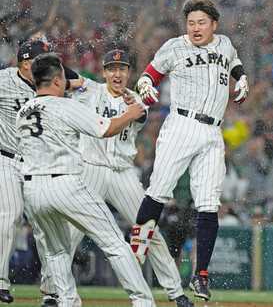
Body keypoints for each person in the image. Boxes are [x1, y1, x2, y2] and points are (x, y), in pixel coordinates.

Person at [130, 0, 249, 301]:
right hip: (182, 124)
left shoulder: (224, 43)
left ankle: (201, 276)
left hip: (213, 132)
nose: (196, 28)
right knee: (159, 190)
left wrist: (242, 77)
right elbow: (150, 73)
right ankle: (135, 254)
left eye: (202, 22)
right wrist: (145, 84)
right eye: (191, 22)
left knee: (209, 203)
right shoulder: (175, 46)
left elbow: (234, 62)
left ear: (214, 24)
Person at [16, 53, 155, 307]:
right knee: (114, 243)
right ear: (58, 80)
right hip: (65, 184)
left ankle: (67, 302)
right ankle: (143, 302)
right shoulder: (65, 106)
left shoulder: (23, 111)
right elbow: (106, 129)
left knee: (56, 251)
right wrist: (131, 112)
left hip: (33, 190)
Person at [69, 49, 193, 307]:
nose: (117, 73)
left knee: (149, 229)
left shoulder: (137, 100)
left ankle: (175, 292)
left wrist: (132, 105)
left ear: (129, 73)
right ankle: (50, 291)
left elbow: (142, 114)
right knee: (69, 234)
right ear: (104, 72)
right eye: (112, 68)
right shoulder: (90, 90)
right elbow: (67, 78)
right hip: (90, 169)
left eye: (122, 68)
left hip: (122, 174)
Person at [0, 39, 80, 306]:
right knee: (9, 217)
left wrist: (75, 83)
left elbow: (76, 79)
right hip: (8, 159)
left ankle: (51, 290)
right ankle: (0, 281)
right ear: (24, 64)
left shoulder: (49, 80)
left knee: (47, 227)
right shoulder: (4, 80)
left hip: (38, 165)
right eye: (38, 60)